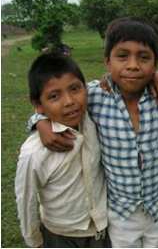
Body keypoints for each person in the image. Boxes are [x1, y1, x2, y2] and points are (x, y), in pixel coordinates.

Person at [28, 17, 158, 247]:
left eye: (144, 58)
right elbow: (57, 104)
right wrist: (40, 122)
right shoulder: (94, 96)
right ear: (107, 61)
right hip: (120, 212)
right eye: (122, 56)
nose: (133, 65)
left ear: (155, 64)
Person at [15, 53, 109, 248]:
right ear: (38, 106)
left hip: (102, 228)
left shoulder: (91, 119)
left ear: (85, 89)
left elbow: (111, 81)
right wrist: (35, 242)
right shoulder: (34, 153)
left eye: (75, 89)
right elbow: (26, 200)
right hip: (60, 234)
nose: (69, 101)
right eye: (54, 96)